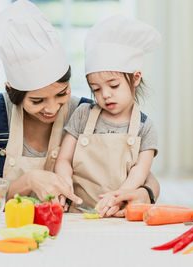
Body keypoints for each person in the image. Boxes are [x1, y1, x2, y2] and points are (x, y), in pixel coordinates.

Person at [0, 0, 159, 212]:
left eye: (61, 93)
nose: (52, 109)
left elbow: (143, 175)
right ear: (11, 90)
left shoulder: (86, 113)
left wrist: (142, 194)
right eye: (37, 101)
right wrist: (29, 181)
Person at [55, 15, 161, 217]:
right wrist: (64, 180)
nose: (105, 95)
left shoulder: (145, 127)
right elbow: (64, 159)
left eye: (113, 85)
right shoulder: (82, 115)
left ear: (136, 78)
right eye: (96, 89)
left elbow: (141, 170)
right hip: (77, 211)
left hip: (119, 211)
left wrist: (121, 195)